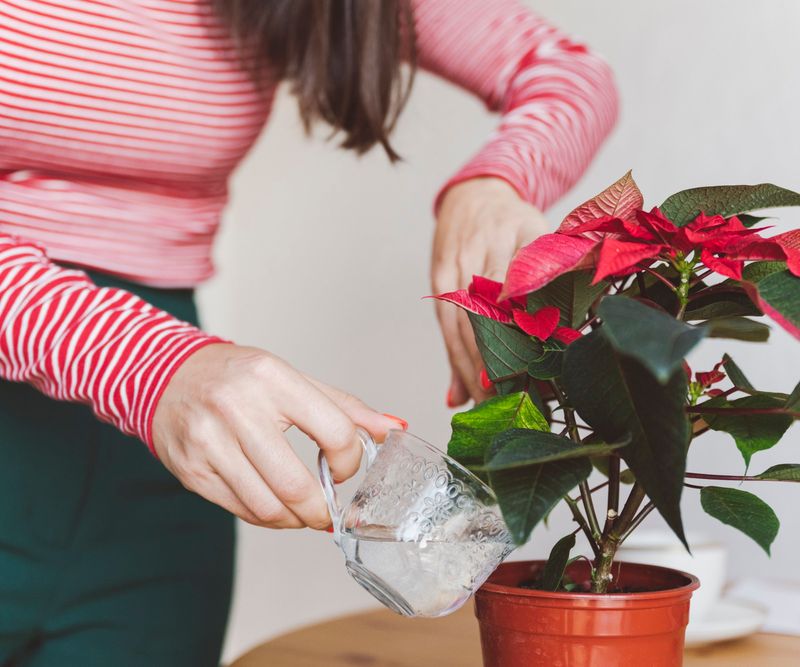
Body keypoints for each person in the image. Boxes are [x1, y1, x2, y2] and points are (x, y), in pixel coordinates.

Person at [0, 0, 617, 664]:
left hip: (157, 472)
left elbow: (568, 73)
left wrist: (497, 182)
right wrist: (144, 362)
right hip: (149, 377)